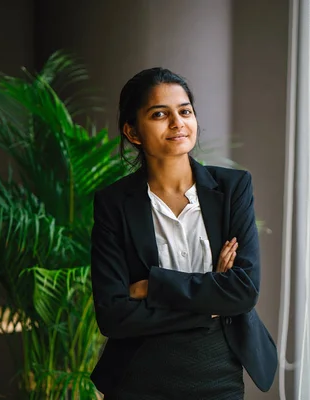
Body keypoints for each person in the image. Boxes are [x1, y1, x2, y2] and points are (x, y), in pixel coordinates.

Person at [90, 67, 277, 399]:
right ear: (133, 133)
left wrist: (154, 286)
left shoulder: (233, 188)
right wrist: (210, 303)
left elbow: (243, 292)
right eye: (160, 114)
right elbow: (114, 316)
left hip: (217, 371)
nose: (177, 122)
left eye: (185, 111)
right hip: (137, 377)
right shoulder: (114, 203)